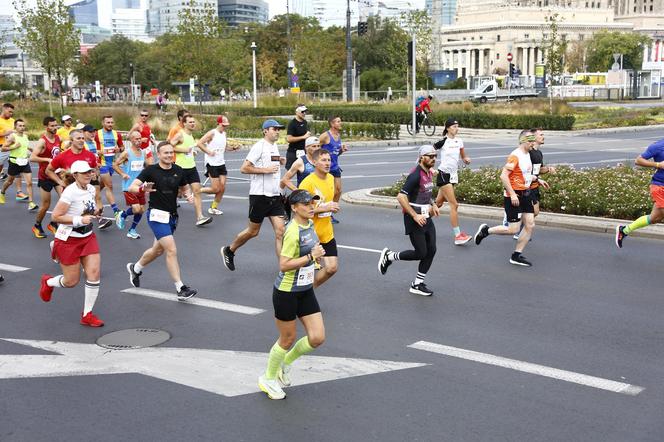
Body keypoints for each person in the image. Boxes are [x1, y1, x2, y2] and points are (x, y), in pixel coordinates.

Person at [258, 189, 326, 400]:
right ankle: (268, 379)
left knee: (317, 337)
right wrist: (310, 257)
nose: (310, 206)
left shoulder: (310, 224)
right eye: (305, 204)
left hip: (305, 289)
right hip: (286, 292)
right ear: (294, 208)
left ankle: (286, 363)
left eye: (311, 203)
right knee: (287, 339)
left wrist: (316, 258)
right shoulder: (293, 230)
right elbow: (284, 264)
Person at [125, 141, 197, 301]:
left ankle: (135, 268)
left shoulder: (178, 170)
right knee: (171, 250)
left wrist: (188, 194)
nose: (170, 155)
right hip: (157, 215)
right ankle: (180, 288)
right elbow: (132, 187)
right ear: (159, 154)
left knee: (157, 250)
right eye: (166, 153)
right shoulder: (151, 170)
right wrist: (143, 189)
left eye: (171, 152)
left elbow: (184, 187)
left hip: (172, 216)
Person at [39, 161, 104, 327]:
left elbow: (87, 208)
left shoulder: (90, 188)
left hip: (88, 236)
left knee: (94, 274)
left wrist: (95, 212)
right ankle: (48, 282)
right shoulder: (70, 192)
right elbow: (56, 216)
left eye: (90, 171)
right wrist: (79, 220)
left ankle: (87, 314)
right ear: (75, 175)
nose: (89, 174)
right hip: (69, 239)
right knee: (71, 282)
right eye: (84, 173)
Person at [221, 119, 286, 271]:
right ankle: (229, 250)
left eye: (279, 129)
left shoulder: (274, 146)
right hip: (260, 196)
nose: (277, 131)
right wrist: (266, 170)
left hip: (275, 196)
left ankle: (284, 268)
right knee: (253, 232)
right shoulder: (259, 146)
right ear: (265, 131)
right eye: (274, 129)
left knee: (280, 232)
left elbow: (270, 162)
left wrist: (280, 160)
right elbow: (244, 168)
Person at [474, 130, 542, 267]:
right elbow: (503, 176)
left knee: (530, 224)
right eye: (531, 142)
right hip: (514, 196)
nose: (533, 145)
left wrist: (538, 180)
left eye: (534, 142)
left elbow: (524, 174)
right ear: (524, 141)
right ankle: (486, 231)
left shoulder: (527, 155)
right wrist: (511, 194)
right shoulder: (515, 156)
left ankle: (516, 255)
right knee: (513, 229)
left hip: (526, 194)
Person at [378, 145, 439, 296]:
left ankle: (417, 284)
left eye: (435, 156)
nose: (433, 159)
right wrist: (414, 215)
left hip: (426, 216)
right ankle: (390, 256)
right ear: (421, 157)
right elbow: (401, 196)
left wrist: (433, 204)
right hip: (414, 219)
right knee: (421, 253)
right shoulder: (415, 175)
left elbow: (425, 192)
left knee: (432, 249)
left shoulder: (429, 172)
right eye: (430, 156)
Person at [298, 149, 339, 286]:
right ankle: (300, 294)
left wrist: (331, 207)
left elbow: (326, 201)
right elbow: (300, 210)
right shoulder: (307, 183)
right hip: (310, 234)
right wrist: (324, 208)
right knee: (304, 273)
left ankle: (310, 289)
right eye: (323, 160)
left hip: (326, 232)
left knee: (332, 268)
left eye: (329, 160)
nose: (327, 163)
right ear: (314, 162)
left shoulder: (331, 178)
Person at [615, 137, 664, 248]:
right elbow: (638, 160)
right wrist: (658, 165)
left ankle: (624, 230)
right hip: (660, 187)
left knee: (655, 218)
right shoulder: (658, 146)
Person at [433, 118, 472, 245]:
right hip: (443, 174)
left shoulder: (459, 141)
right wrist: (430, 169)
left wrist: (465, 159)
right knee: (454, 205)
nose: (457, 128)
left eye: (457, 126)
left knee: (438, 204)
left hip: (453, 176)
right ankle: (458, 236)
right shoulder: (443, 141)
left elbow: (462, 154)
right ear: (448, 128)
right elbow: (427, 152)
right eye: (454, 126)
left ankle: (420, 219)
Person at [169, 114, 212, 226]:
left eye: (194, 122)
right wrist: (184, 150)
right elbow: (169, 147)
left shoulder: (191, 136)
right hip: (180, 168)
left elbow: (188, 150)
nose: (193, 124)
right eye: (190, 122)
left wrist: (192, 152)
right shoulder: (180, 135)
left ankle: (200, 217)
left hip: (191, 167)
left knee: (197, 191)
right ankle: (168, 213)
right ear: (184, 124)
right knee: (175, 192)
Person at [513, 127, 555, 240]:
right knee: (531, 212)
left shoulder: (538, 153)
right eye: (540, 134)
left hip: (535, 185)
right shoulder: (528, 153)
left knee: (535, 212)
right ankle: (518, 230)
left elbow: (538, 170)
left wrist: (547, 170)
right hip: (527, 187)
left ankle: (519, 226)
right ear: (533, 137)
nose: (543, 136)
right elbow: (525, 170)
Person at [196, 115, 240, 215]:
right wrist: (208, 151)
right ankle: (198, 191)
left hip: (221, 163)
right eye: (224, 125)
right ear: (219, 123)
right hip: (211, 163)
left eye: (226, 125)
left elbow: (224, 147)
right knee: (215, 188)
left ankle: (213, 207)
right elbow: (199, 143)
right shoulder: (212, 133)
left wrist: (232, 148)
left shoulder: (224, 133)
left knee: (222, 187)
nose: (225, 127)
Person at [30, 116, 63, 238]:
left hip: (57, 174)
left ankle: (54, 223)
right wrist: (47, 159)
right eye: (52, 126)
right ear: (46, 127)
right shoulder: (42, 141)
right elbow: (32, 157)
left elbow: (57, 154)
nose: (55, 128)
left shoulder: (58, 138)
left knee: (65, 199)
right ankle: (37, 225)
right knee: (45, 205)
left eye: (56, 125)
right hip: (45, 176)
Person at [113, 131, 147, 239]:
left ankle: (132, 230)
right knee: (136, 209)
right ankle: (122, 215)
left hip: (140, 186)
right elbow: (115, 165)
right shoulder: (127, 153)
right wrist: (122, 173)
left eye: (140, 138)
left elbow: (144, 166)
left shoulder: (142, 152)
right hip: (128, 186)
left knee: (141, 210)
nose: (138, 141)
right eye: (136, 139)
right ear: (131, 140)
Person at [0, 119, 37, 211]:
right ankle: (2, 192)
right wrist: (14, 147)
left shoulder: (25, 136)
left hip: (24, 162)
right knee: (9, 181)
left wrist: (30, 148)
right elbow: (3, 148)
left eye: (23, 126)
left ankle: (31, 203)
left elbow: (24, 145)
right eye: (20, 126)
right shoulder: (12, 137)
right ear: (15, 127)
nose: (22, 127)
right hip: (14, 162)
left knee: (29, 183)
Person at [93, 115, 124, 227]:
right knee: (109, 186)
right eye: (108, 122)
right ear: (103, 123)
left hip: (112, 164)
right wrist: (97, 152)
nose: (110, 124)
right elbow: (91, 147)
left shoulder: (117, 134)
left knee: (100, 186)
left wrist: (118, 149)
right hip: (102, 164)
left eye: (111, 122)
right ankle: (116, 210)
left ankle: (90, 197)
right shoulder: (97, 134)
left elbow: (122, 147)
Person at [318, 115, 348, 224]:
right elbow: (315, 147)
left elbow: (336, 153)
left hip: (335, 166)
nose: (341, 123)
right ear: (332, 124)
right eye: (338, 121)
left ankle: (330, 212)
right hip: (326, 167)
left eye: (340, 121)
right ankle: (325, 212)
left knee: (338, 190)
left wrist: (341, 150)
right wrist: (317, 160)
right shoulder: (325, 136)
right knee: (328, 191)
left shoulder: (338, 135)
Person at [285, 105, 311, 170]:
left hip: (303, 152)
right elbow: (289, 138)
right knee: (290, 173)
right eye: (302, 112)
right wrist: (303, 137)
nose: (304, 113)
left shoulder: (305, 122)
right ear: (297, 112)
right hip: (293, 152)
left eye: (305, 111)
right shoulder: (292, 124)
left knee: (304, 172)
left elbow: (306, 136)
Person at [0, 103, 15, 181]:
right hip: (1, 147)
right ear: (4, 109)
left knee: (17, 165)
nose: (11, 114)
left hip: (11, 147)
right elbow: (7, 133)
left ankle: (19, 190)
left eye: (12, 112)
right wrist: (5, 133)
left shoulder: (12, 120)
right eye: (9, 111)